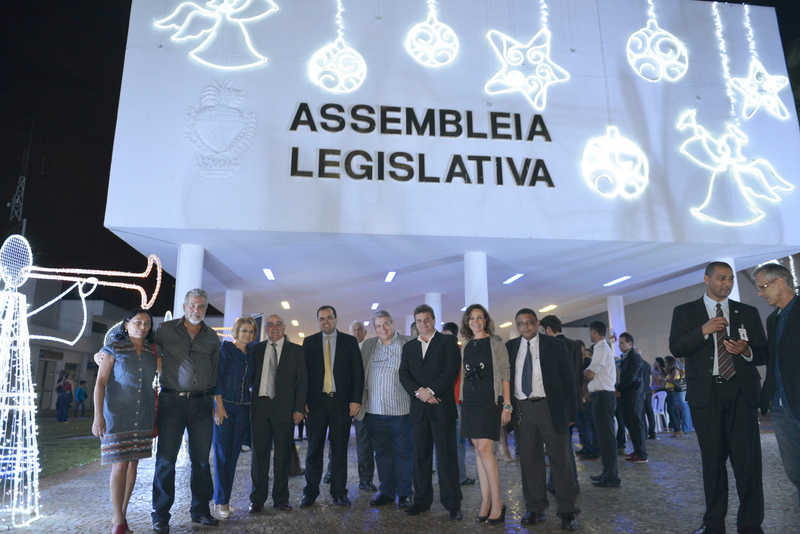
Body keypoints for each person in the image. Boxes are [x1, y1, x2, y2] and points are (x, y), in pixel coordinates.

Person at [669, 261, 767, 534]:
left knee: (747, 463)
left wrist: (746, 351)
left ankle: (750, 524)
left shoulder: (746, 312)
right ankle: (713, 523)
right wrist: (703, 330)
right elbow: (676, 347)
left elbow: (762, 353)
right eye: (722, 278)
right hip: (706, 395)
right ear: (707, 279)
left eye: (731, 279)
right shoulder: (685, 312)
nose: (727, 283)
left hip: (741, 393)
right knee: (712, 462)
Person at [152, 288, 221, 531]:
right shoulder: (165, 330)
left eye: (201, 306)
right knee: (166, 460)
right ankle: (161, 515)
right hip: (171, 402)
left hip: (202, 404)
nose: (196, 309)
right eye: (192, 305)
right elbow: (142, 346)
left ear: (205, 309)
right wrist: (106, 351)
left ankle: (200, 511)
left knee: (201, 461)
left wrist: (216, 403)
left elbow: (216, 371)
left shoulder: (212, 337)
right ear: (184, 306)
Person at [506, 308, 578, 530]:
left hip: (550, 408)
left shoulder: (555, 345)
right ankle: (535, 508)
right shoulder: (510, 347)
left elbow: (569, 379)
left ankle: (567, 510)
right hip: (523, 410)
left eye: (529, 322)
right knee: (529, 461)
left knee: (560, 460)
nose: (525, 326)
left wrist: (571, 414)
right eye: (520, 323)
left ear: (537, 323)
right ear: (517, 326)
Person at [93, 308, 160, 534]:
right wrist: (98, 416)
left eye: (147, 323)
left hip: (143, 413)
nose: (143, 327)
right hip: (117, 414)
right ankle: (118, 519)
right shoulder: (113, 348)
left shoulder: (153, 350)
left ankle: (121, 516)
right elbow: (100, 383)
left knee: (133, 464)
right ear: (126, 324)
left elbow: (165, 373)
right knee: (120, 464)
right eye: (137, 322)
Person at [399, 304, 463, 520]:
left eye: (427, 319)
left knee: (447, 458)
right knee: (421, 457)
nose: (423, 324)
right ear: (415, 324)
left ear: (434, 320)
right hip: (419, 410)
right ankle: (421, 502)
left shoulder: (447, 342)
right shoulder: (409, 347)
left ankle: (453, 503)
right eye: (419, 321)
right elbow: (404, 374)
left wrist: (432, 391)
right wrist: (421, 393)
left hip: (441, 407)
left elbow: (451, 370)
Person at [301, 305, 364, 507]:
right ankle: (310, 493)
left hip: (341, 404)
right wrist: (302, 401)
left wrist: (356, 399)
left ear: (336, 319)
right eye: (322, 318)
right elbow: (303, 375)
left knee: (339, 451)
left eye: (329, 317)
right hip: (316, 405)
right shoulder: (309, 342)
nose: (325, 321)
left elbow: (357, 373)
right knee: (313, 451)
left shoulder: (349, 342)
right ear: (318, 321)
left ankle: (339, 492)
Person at [458, 304, 511, 525]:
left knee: (485, 449)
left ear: (486, 320)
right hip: (470, 402)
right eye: (471, 318)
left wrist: (507, 405)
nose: (475, 322)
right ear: (467, 322)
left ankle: (497, 503)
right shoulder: (466, 344)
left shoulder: (496, 342)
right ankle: (485, 501)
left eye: (479, 318)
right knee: (478, 450)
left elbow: (505, 373)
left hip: (490, 400)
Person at [249, 314, 307, 513]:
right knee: (259, 456)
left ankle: (281, 498)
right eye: (270, 325)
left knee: (282, 455)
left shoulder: (296, 351)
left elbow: (303, 382)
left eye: (278, 324)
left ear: (284, 327)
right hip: (260, 408)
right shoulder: (255, 350)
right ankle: (257, 499)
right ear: (266, 328)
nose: (274, 328)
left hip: (285, 409)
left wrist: (299, 408)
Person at [358, 310, 414, 508]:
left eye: (385, 324)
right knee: (382, 454)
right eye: (378, 326)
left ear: (392, 323)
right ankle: (387, 492)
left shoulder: (408, 343)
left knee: (403, 453)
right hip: (375, 411)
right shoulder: (368, 345)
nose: (382, 329)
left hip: (401, 411)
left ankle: (405, 493)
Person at [754, 263, 800, 505]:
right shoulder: (773, 319)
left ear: (780, 282)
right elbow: (772, 358)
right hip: (781, 406)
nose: (760, 293)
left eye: (762, 287)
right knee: (794, 468)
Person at [212, 316, 257, 519]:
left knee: (233, 455)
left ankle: (224, 500)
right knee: (222, 454)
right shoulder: (225, 350)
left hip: (243, 409)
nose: (247, 334)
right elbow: (217, 378)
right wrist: (219, 406)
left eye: (251, 331)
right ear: (236, 332)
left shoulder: (252, 354)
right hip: (225, 407)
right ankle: (220, 501)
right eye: (244, 330)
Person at [539, 315, 582, 492]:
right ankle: (562, 480)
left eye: (543, 330)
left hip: (556, 402)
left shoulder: (552, 346)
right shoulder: (574, 345)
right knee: (564, 442)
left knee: (560, 445)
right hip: (571, 400)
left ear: (548, 329)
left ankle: (567, 481)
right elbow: (577, 375)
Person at [584, 321, 620, 488]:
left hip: (603, 397)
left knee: (607, 438)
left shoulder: (601, 348)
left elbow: (591, 373)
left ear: (594, 332)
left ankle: (611, 476)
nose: (590, 335)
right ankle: (607, 472)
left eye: (590, 332)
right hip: (601, 396)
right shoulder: (602, 348)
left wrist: (579, 373)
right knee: (603, 437)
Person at [442, 321, 475, 486]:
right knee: (458, 443)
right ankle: (460, 476)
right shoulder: (462, 352)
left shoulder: (441, 351)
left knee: (445, 443)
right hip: (458, 403)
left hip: (444, 403)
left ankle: (447, 476)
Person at [349, 319, 376, 491]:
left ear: (365, 333)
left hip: (365, 404)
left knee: (364, 444)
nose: (357, 332)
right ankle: (330, 472)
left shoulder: (370, 350)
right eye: (354, 329)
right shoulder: (344, 349)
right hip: (342, 403)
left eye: (360, 329)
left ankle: (365, 480)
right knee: (336, 441)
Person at [615, 332, 648, 463]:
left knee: (636, 424)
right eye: (619, 343)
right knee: (630, 424)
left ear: (630, 344)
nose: (619, 345)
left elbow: (631, 377)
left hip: (634, 396)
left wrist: (619, 387)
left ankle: (642, 453)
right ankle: (637, 450)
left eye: (622, 343)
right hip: (627, 395)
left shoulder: (634, 356)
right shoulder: (626, 357)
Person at [664, 355, 692, 438]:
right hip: (669, 392)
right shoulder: (670, 371)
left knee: (671, 410)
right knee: (673, 410)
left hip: (674, 392)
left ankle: (678, 429)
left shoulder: (675, 370)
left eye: (666, 362)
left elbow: (672, 380)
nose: (664, 363)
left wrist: (664, 379)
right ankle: (677, 429)